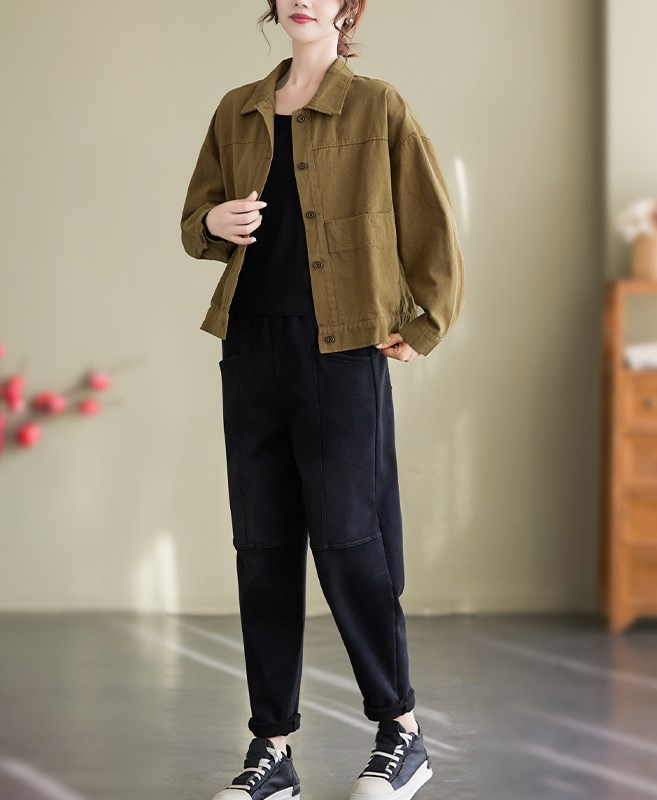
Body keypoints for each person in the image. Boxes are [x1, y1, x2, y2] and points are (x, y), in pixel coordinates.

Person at [180, 2, 465, 798]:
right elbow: (195, 221)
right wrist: (214, 220)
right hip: (251, 346)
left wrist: (428, 322)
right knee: (263, 548)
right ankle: (271, 750)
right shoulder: (237, 110)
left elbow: (431, 220)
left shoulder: (378, 107)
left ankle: (401, 732)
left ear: (348, 8)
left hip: (342, 350)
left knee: (351, 543)